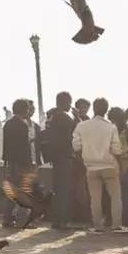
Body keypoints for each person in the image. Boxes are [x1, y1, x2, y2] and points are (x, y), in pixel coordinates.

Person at [73, 97, 126, 232]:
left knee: (95, 197)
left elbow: (76, 146)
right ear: (106, 110)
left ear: (94, 109)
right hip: (109, 165)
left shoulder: (81, 126)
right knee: (115, 196)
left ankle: (97, 225)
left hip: (91, 166)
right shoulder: (111, 127)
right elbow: (116, 149)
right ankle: (117, 225)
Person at [39, 92, 78, 229]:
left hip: (55, 157)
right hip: (64, 156)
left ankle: (56, 220)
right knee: (64, 190)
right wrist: (78, 118)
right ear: (64, 102)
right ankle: (63, 220)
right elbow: (76, 131)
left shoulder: (51, 116)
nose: (70, 106)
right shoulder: (64, 117)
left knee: (57, 189)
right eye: (69, 102)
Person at [0, 99, 39, 228]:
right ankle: (22, 220)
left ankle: (7, 218)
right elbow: (24, 147)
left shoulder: (9, 124)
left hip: (12, 162)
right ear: (25, 110)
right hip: (22, 163)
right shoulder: (22, 125)